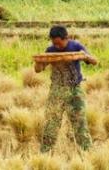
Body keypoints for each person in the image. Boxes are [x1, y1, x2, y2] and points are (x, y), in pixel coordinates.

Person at [36, 25, 98, 153]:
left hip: (74, 90)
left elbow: (94, 61)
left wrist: (85, 56)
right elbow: (38, 70)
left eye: (59, 43)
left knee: (80, 123)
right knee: (51, 123)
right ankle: (45, 153)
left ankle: (87, 153)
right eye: (55, 44)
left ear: (66, 38)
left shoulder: (75, 46)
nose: (57, 47)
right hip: (56, 90)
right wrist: (38, 61)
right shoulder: (50, 50)